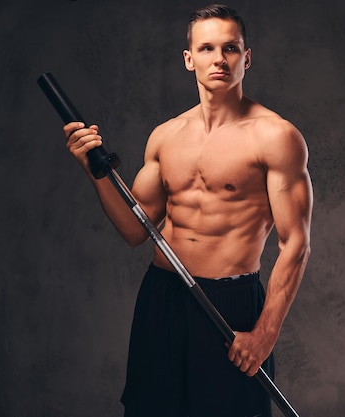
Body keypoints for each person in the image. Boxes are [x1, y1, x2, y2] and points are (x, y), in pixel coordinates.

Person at [63, 4, 312, 416]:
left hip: (230, 304)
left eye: (230, 48)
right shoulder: (166, 137)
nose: (219, 59)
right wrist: (93, 169)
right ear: (189, 58)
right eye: (207, 48)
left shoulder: (276, 137)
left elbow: (295, 244)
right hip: (163, 296)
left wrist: (265, 334)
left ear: (246, 58)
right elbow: (134, 228)